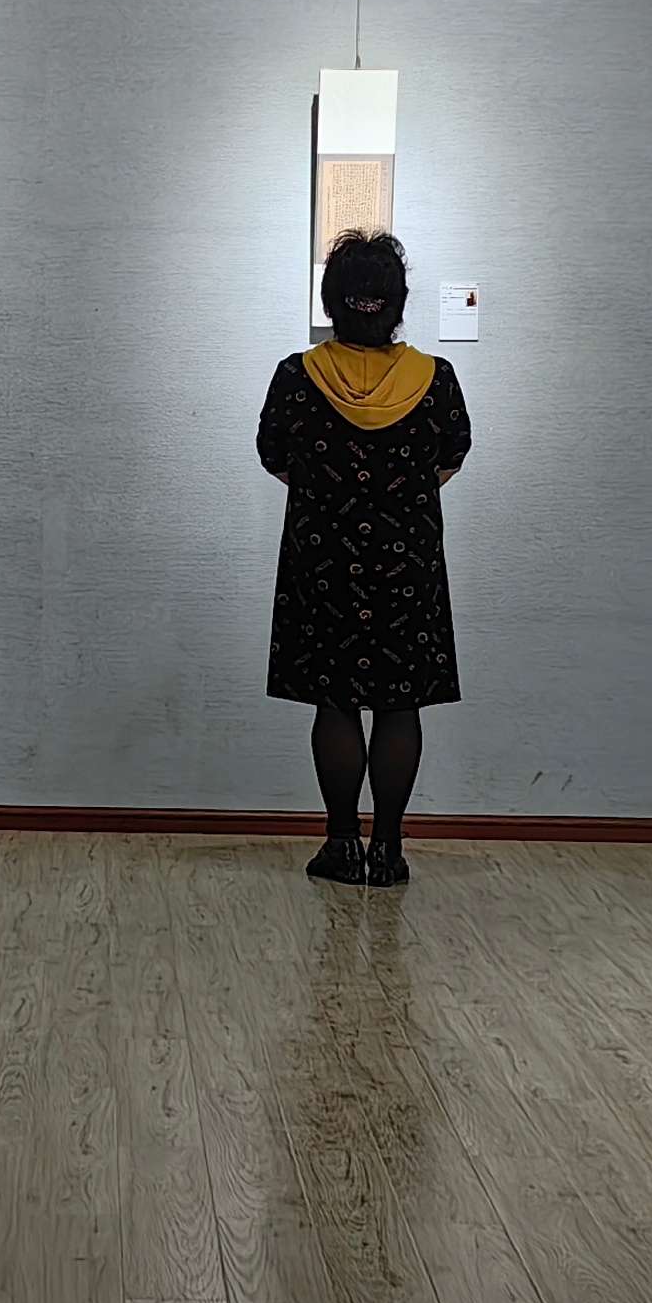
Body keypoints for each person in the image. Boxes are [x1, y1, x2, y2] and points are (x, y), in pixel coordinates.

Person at [258, 230, 471, 887]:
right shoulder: (435, 379)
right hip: (408, 564)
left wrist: (331, 498)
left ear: (332, 302)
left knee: (336, 700)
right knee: (400, 705)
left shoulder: (298, 375)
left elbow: (273, 455)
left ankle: (341, 843)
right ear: (398, 303)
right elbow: (452, 454)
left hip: (322, 560)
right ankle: (389, 850)